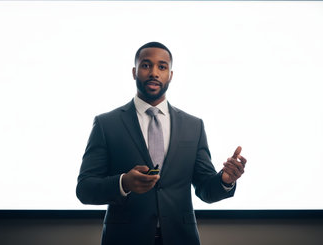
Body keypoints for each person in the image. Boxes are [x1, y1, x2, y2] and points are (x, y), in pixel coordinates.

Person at [76, 42, 247, 245]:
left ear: (171, 75)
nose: (154, 72)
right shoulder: (107, 124)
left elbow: (205, 190)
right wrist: (124, 183)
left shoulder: (193, 126)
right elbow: (85, 189)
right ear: (134, 72)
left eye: (162, 67)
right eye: (146, 65)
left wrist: (225, 180)